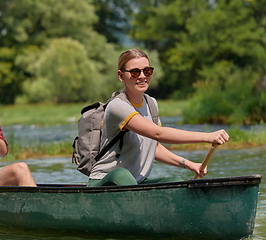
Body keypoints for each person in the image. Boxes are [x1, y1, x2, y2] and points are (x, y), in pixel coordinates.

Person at [87, 49, 230, 187]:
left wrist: (190, 164)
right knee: (121, 175)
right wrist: (207, 137)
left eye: (147, 71)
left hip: (135, 184)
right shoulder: (118, 106)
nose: (142, 76)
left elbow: (154, 147)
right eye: (135, 72)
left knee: (175, 182)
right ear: (121, 76)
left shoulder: (151, 104)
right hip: (106, 183)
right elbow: (158, 134)